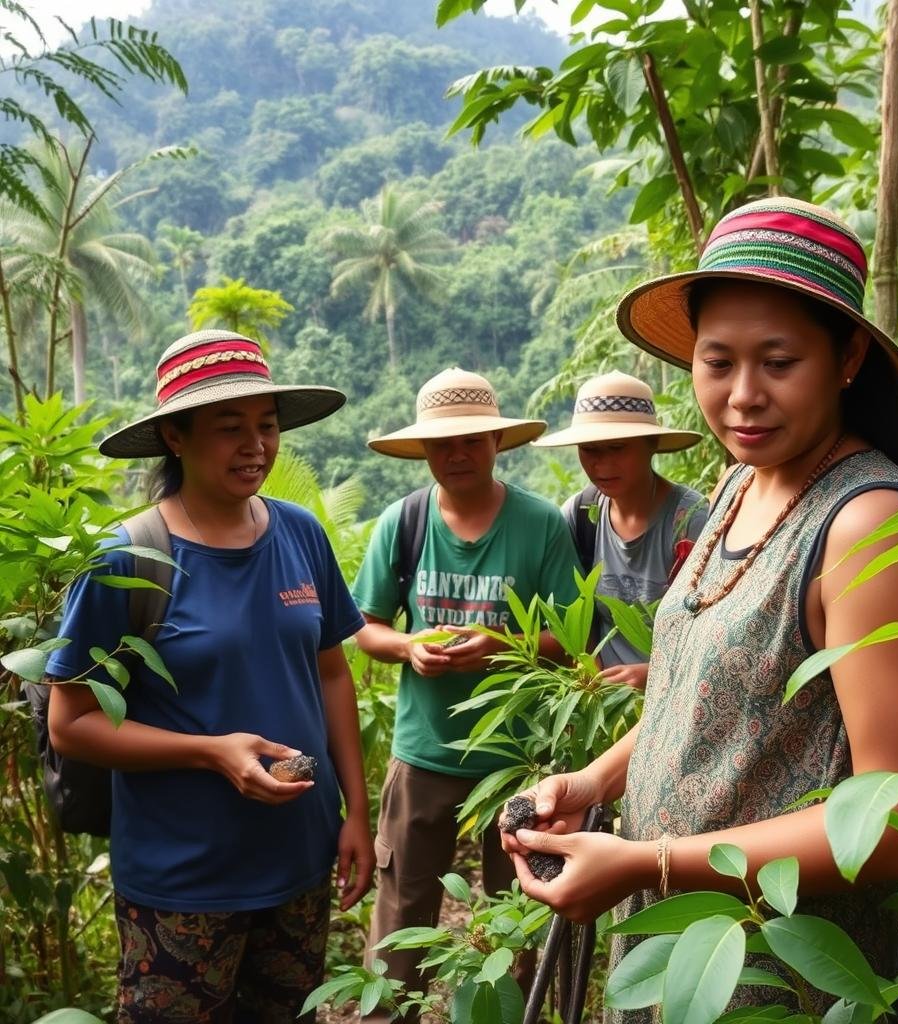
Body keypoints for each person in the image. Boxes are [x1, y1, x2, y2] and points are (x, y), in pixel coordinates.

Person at [500, 198, 898, 1016]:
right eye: (718, 363)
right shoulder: (738, 482)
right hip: (677, 945)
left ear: (847, 356)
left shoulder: (865, 526)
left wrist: (648, 864)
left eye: (778, 362)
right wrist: (596, 778)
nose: (743, 397)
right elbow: (707, 691)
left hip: (773, 967)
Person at [46, 329, 373, 1023]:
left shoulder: (300, 533)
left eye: (267, 425)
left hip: (299, 864)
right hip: (183, 881)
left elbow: (332, 674)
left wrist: (357, 814)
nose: (256, 445)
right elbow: (70, 723)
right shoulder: (126, 560)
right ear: (174, 436)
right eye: (230, 428)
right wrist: (211, 751)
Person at [351, 367, 581, 1020]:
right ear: (424, 449)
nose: (456, 455)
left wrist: (501, 645)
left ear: (496, 443)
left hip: (515, 761)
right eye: (442, 443)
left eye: (472, 441)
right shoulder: (404, 523)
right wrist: (410, 647)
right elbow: (365, 629)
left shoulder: (539, 525)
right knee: (401, 914)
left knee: (514, 917)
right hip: (423, 753)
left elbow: (571, 635)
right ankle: (388, 1013)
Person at [533, 371, 706, 688]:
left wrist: (650, 675)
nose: (601, 464)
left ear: (651, 444)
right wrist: (591, 674)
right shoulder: (581, 514)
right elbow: (572, 621)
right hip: (603, 702)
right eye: (590, 450)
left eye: (617, 448)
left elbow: (710, 631)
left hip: (674, 696)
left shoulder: (690, 520)